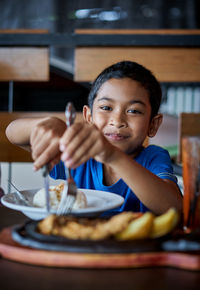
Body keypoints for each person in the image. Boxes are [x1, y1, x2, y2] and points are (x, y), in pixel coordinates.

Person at [6, 61, 182, 215]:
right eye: (106, 108)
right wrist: (48, 124)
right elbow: (12, 133)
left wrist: (113, 156)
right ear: (88, 117)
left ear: (153, 124)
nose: (117, 121)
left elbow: (175, 208)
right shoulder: (78, 155)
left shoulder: (154, 157)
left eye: (134, 111)